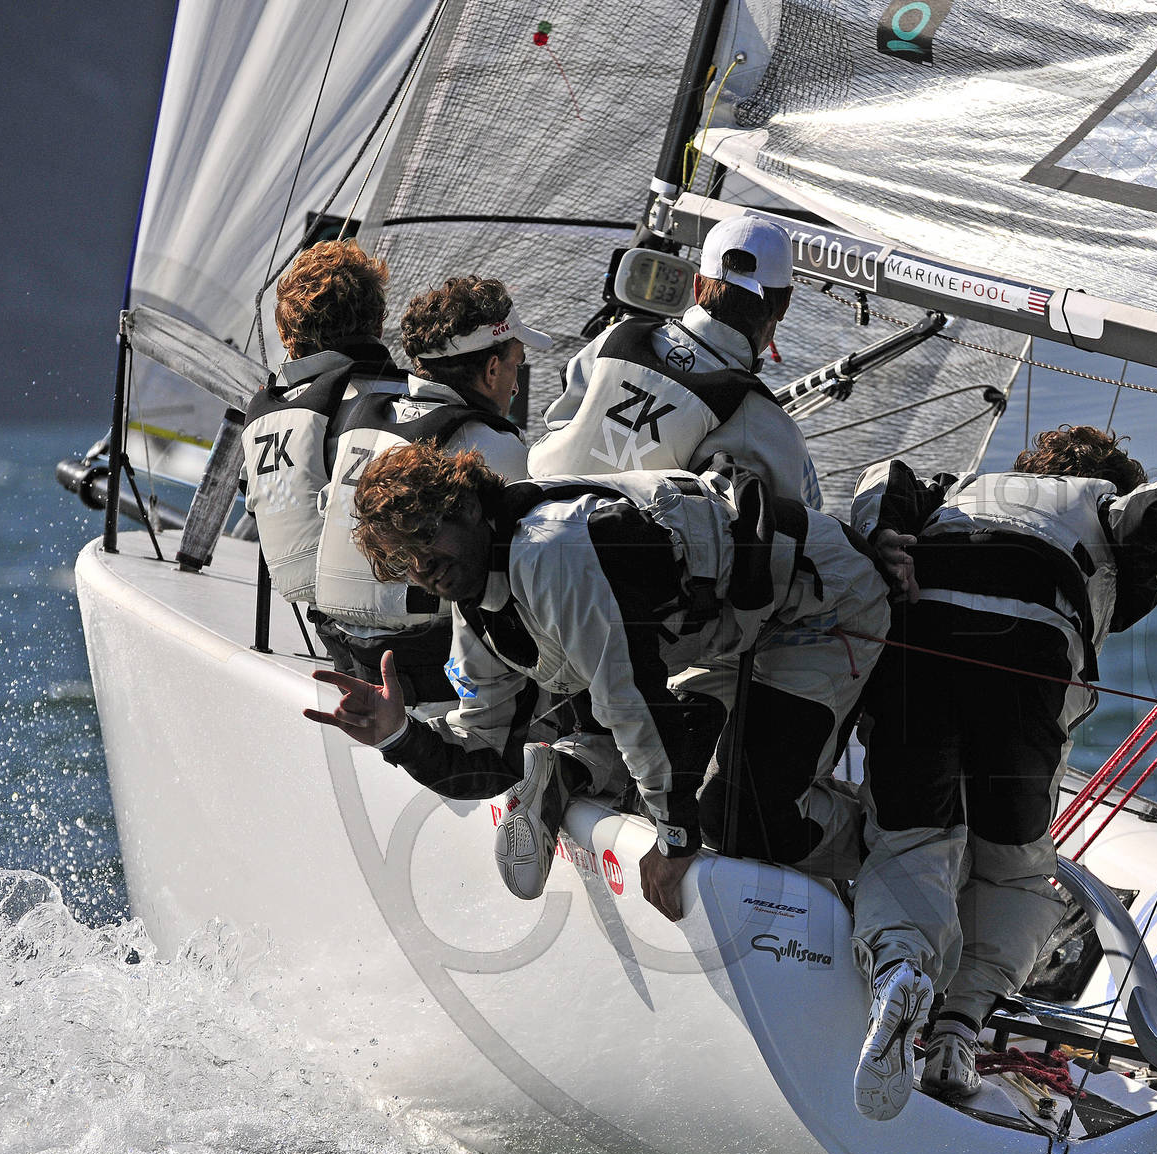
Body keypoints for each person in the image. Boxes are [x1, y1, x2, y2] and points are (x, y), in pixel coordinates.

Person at [844, 427, 1157, 1121]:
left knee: (912, 841)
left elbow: (885, 475)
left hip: (916, 655)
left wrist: (882, 537)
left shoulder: (956, 490)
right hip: (1027, 665)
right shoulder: (1105, 502)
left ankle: (900, 971)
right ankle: (956, 1035)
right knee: (1013, 870)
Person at [303, 441, 891, 913]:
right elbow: (488, 753)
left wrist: (675, 842)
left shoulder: (553, 550)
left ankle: (901, 856)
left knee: (741, 817)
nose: (421, 566)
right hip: (728, 634)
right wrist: (399, 735)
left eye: (425, 536)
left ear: (470, 507)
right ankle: (854, 842)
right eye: (401, 558)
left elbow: (631, 704)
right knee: (685, 782)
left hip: (819, 607)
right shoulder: (476, 604)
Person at [305, 275, 539, 700]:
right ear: (492, 369)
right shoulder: (490, 444)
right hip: (432, 672)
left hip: (344, 649)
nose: (516, 385)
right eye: (515, 365)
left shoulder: (361, 415)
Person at [533, 213, 822, 508]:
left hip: (532, 516)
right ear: (785, 304)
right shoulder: (767, 422)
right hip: (613, 536)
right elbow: (803, 512)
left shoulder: (615, 338)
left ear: (697, 287)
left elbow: (558, 418)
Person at [243, 240, 409, 611]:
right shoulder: (418, 403)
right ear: (379, 324)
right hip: (406, 608)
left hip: (316, 611)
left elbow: (257, 505)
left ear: (287, 336)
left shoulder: (269, 418)